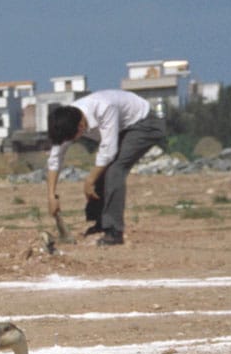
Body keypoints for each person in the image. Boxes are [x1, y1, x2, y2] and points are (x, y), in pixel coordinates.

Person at [46, 90, 167, 246]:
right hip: (122, 127)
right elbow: (55, 158)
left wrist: (89, 181)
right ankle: (100, 223)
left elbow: (108, 152)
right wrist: (51, 196)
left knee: (114, 169)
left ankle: (114, 232)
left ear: (81, 126)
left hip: (145, 124)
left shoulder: (104, 108)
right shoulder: (67, 120)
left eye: (72, 138)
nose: (71, 141)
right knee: (101, 169)